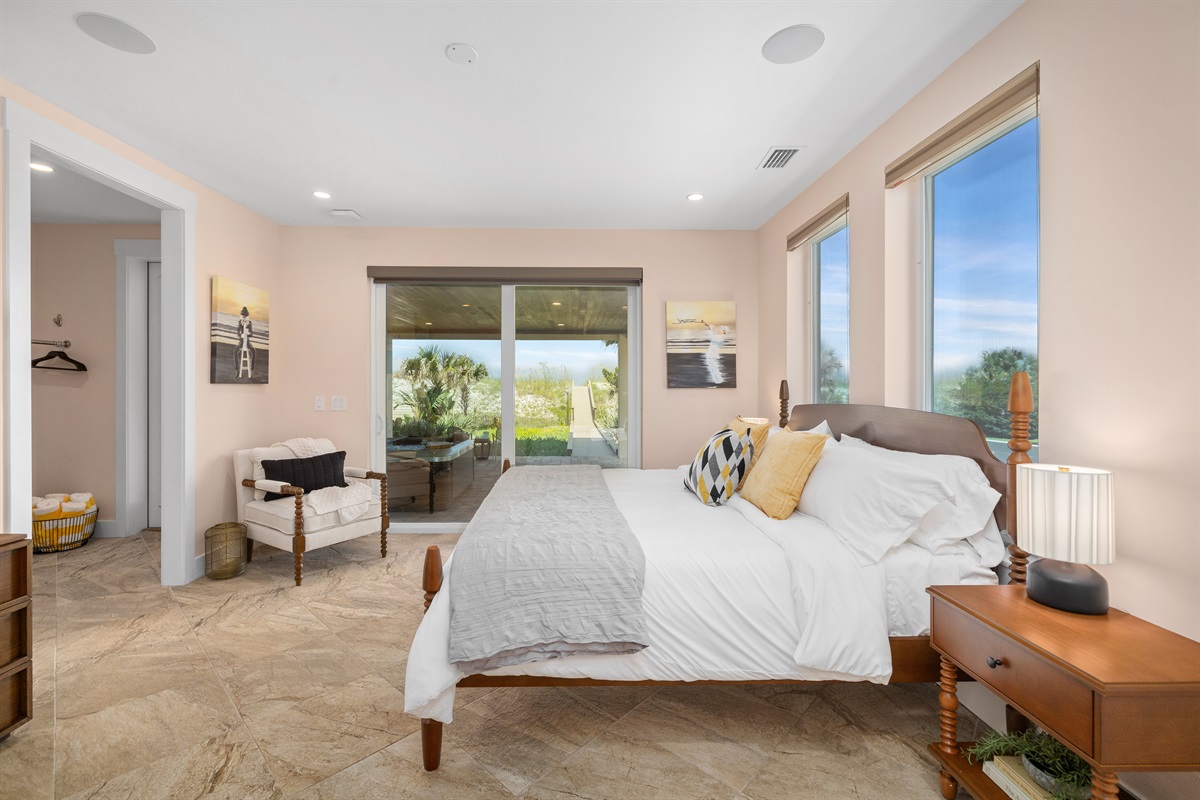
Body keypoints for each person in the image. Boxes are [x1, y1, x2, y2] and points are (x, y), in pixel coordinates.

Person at [235, 306, 255, 375]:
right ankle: (237, 370)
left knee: (254, 352)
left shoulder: (250, 323)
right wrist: (240, 335)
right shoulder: (240, 322)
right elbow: (237, 332)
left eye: (245, 316)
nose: (244, 317)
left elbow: (251, 334)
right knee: (235, 352)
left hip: (247, 342)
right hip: (241, 341)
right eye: (243, 316)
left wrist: (249, 333)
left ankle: (252, 370)